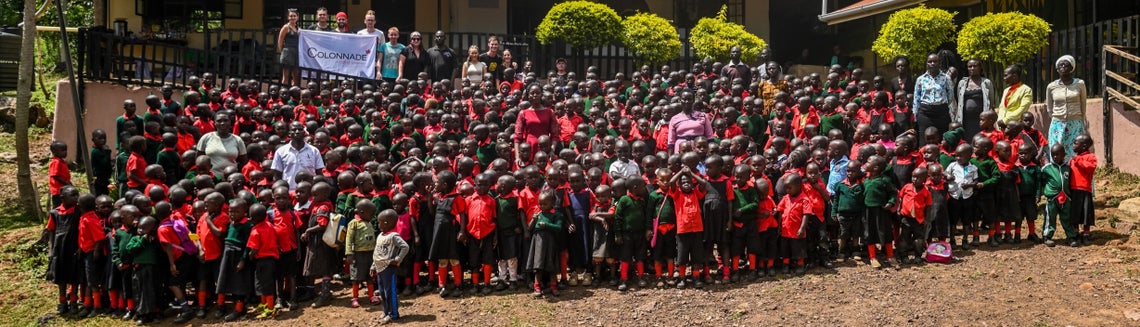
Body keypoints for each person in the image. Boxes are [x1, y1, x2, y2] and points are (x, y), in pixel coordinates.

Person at [1045, 55, 1088, 160]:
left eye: (1066, 64)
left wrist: (1079, 119)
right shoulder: (1051, 86)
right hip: (1057, 125)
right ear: (1057, 69)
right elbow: (1049, 108)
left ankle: (1074, 175)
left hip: (1075, 124)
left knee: (1075, 152)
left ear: (1072, 68)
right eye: (1060, 65)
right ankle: (1058, 175)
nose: (1063, 66)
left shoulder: (1080, 84)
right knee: (1057, 152)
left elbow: (1083, 104)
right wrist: (1058, 118)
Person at [371, 209, 410, 323]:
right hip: (380, 268)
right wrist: (373, 266)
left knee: (390, 291)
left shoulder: (394, 236)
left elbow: (405, 247)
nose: (378, 224)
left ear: (387, 223)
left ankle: (393, 314)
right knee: (382, 291)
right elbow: (377, 253)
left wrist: (398, 259)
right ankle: (386, 311)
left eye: (380, 222)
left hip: (389, 268)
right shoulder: (380, 235)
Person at [527, 189, 565, 297]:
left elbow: (558, 227)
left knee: (551, 265)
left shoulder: (556, 215)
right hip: (538, 242)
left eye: (545, 204)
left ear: (552, 203)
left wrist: (547, 225)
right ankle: (537, 286)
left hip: (550, 243)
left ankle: (553, 286)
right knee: (538, 266)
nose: (542, 206)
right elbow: (529, 228)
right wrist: (533, 220)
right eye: (540, 203)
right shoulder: (538, 213)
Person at [246, 203, 280, 319]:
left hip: (262, 261)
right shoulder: (270, 225)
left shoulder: (255, 231)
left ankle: (270, 309)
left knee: (265, 286)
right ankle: (264, 303)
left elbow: (254, 249)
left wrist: (250, 256)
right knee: (262, 284)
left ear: (251, 218)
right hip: (271, 259)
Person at [513, 85, 559, 165]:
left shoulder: (549, 112)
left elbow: (555, 134)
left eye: (537, 93)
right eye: (532, 93)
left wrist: (552, 150)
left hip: (545, 147)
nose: (535, 95)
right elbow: (517, 137)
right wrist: (517, 156)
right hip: (529, 149)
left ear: (541, 94)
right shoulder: (523, 113)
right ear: (528, 95)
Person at [271, 122, 325, 190]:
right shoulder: (281, 151)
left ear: (304, 132)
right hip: (289, 192)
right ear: (289, 133)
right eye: (294, 130)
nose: (297, 132)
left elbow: (319, 173)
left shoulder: (314, 151)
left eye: (300, 129)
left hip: (309, 192)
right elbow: (277, 175)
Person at [913, 53, 955, 134]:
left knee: (941, 140)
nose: (932, 63)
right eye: (930, 61)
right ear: (926, 63)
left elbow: (950, 96)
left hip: (941, 114)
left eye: (935, 61)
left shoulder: (946, 78)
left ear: (939, 63)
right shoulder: (920, 79)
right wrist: (915, 117)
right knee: (925, 140)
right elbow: (916, 98)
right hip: (925, 114)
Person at [955, 59, 996, 139]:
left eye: (975, 66)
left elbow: (991, 101)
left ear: (980, 68)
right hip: (966, 120)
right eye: (970, 66)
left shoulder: (986, 83)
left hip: (981, 120)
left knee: (980, 140)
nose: (972, 68)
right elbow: (959, 100)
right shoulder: (962, 83)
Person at [195, 112, 246, 177]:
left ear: (230, 122)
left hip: (231, 179)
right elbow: (198, 159)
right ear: (214, 123)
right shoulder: (206, 138)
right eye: (219, 121)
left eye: (226, 120)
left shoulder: (237, 140)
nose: (222, 123)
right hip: (210, 178)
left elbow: (243, 162)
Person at [1069, 135, 1097, 245]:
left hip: (1085, 189)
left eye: (1076, 143)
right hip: (1073, 189)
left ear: (1084, 146)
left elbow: (1090, 168)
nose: (1073, 145)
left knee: (1086, 212)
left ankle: (1086, 233)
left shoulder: (1090, 157)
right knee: (1075, 212)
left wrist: (1078, 161)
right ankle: (1075, 232)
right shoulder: (1073, 159)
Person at [277, 9, 301, 86]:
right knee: (286, 76)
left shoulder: (298, 28)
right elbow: (280, 41)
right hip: (287, 52)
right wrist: (283, 52)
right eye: (291, 16)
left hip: (296, 53)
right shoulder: (286, 27)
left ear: (297, 17)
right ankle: (283, 92)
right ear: (288, 17)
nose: (292, 17)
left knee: (295, 76)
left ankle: (294, 94)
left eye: (294, 16)